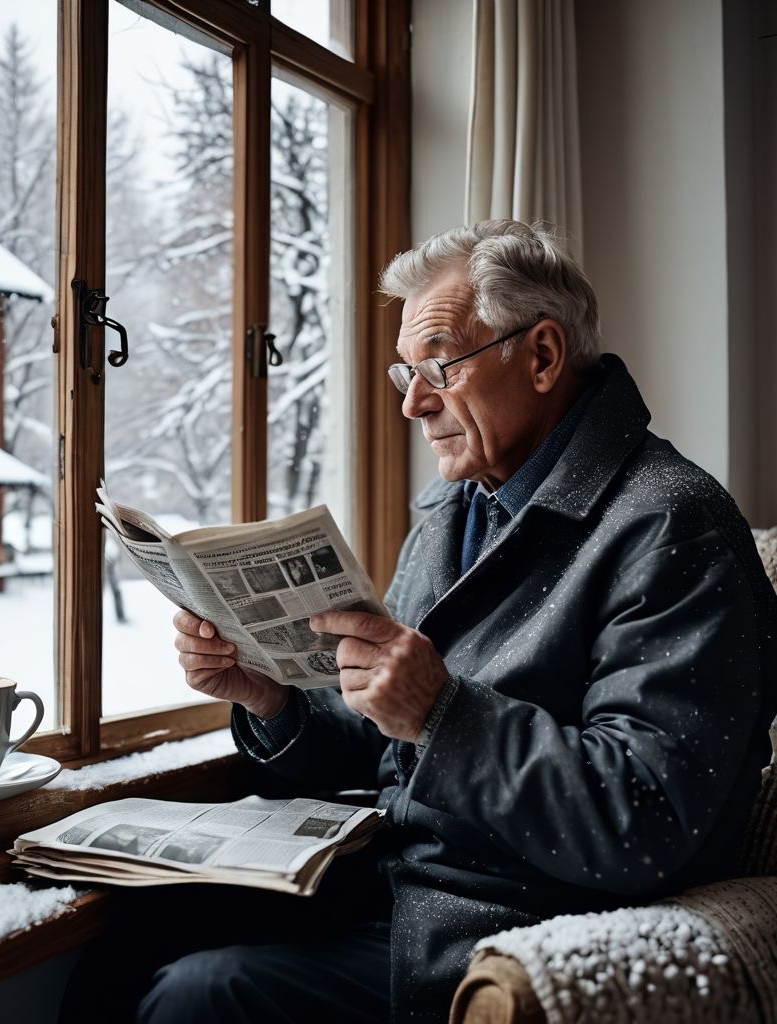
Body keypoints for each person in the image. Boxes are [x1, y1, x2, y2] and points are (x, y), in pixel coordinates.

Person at [64, 221, 777, 1024]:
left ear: (541, 356)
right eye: (407, 371)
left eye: (438, 365)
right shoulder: (455, 505)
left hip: (508, 920)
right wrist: (272, 698)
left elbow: (645, 818)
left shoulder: (676, 524)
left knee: (204, 997)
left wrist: (440, 713)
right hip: (387, 877)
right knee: (129, 937)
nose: (412, 402)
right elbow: (386, 733)